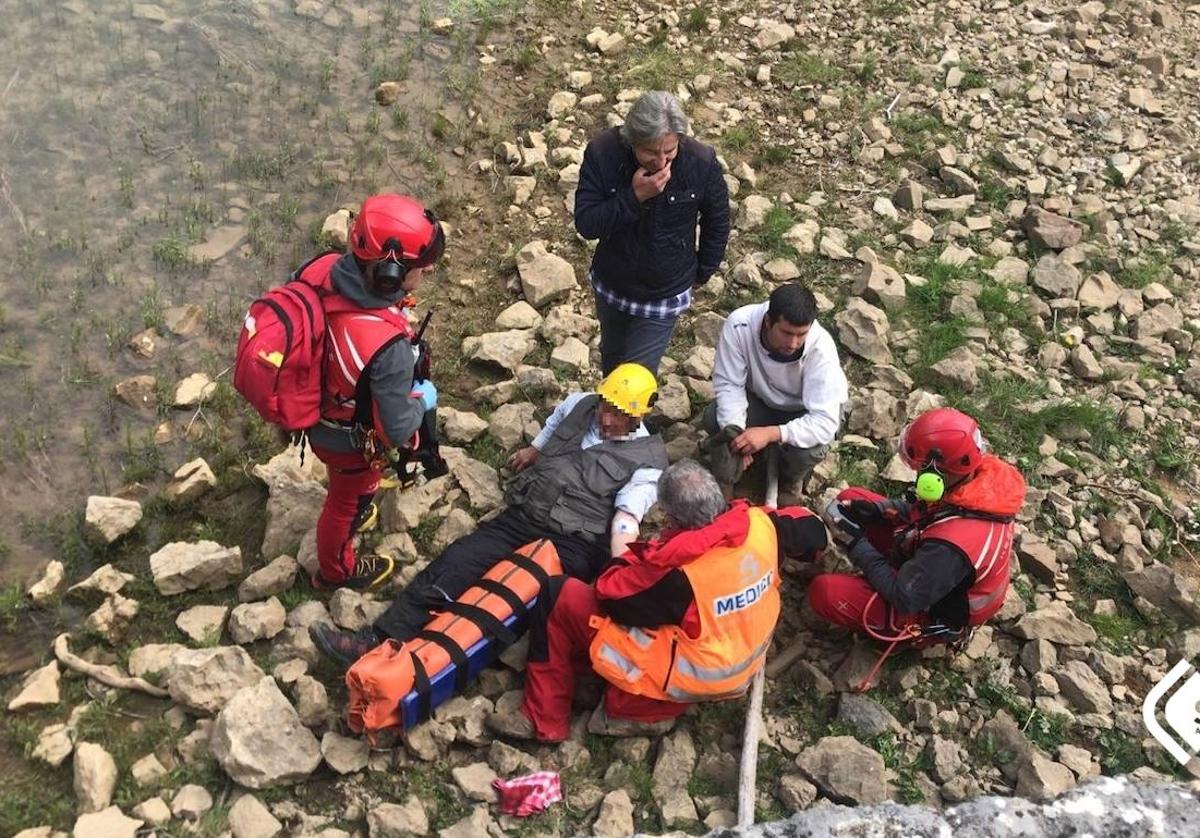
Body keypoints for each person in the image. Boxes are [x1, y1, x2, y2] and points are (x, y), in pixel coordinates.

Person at [310, 363, 670, 666]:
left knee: (510, 597)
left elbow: (626, 518)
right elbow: (557, 421)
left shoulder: (647, 462)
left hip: (574, 543)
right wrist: (534, 450)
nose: (607, 419)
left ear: (638, 416)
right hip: (526, 516)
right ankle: (380, 638)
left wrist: (622, 570)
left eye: (620, 416)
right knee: (459, 560)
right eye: (606, 407)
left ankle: (424, 669)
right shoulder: (581, 404)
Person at [486, 460, 828, 743]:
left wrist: (633, 552)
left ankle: (545, 721)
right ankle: (589, 683)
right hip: (743, 659)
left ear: (675, 519)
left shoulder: (677, 574)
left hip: (692, 678)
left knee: (559, 595)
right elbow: (811, 531)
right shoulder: (760, 524)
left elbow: (611, 594)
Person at [308, 193, 446, 591]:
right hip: (345, 439)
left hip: (320, 406)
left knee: (347, 487)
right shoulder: (390, 350)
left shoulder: (325, 271)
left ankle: (355, 502)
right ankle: (336, 572)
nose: (429, 268)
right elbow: (396, 430)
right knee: (344, 502)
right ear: (389, 273)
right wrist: (421, 402)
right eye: (421, 265)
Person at [812, 407, 1027, 638]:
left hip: (932, 611)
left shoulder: (952, 546)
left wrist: (857, 545)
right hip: (935, 561)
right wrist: (878, 511)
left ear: (938, 473)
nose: (916, 473)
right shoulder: (977, 481)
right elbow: (928, 512)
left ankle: (907, 638)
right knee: (850, 499)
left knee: (824, 592)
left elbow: (905, 597)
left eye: (919, 467)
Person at [574, 90, 730, 375]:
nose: (660, 162)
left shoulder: (701, 162)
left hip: (664, 291)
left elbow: (717, 221)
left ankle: (628, 418)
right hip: (613, 282)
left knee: (635, 379)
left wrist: (701, 272)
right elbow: (586, 223)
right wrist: (633, 197)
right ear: (631, 139)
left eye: (669, 151)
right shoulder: (603, 152)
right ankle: (609, 417)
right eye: (649, 152)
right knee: (612, 359)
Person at [704, 282, 847, 498]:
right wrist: (740, 438)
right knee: (715, 419)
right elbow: (729, 385)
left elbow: (824, 422)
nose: (793, 343)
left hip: (804, 410)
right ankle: (730, 477)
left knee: (809, 450)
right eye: (786, 333)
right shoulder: (739, 325)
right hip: (762, 400)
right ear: (768, 321)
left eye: (801, 335)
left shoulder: (821, 348)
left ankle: (790, 479)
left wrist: (771, 434)